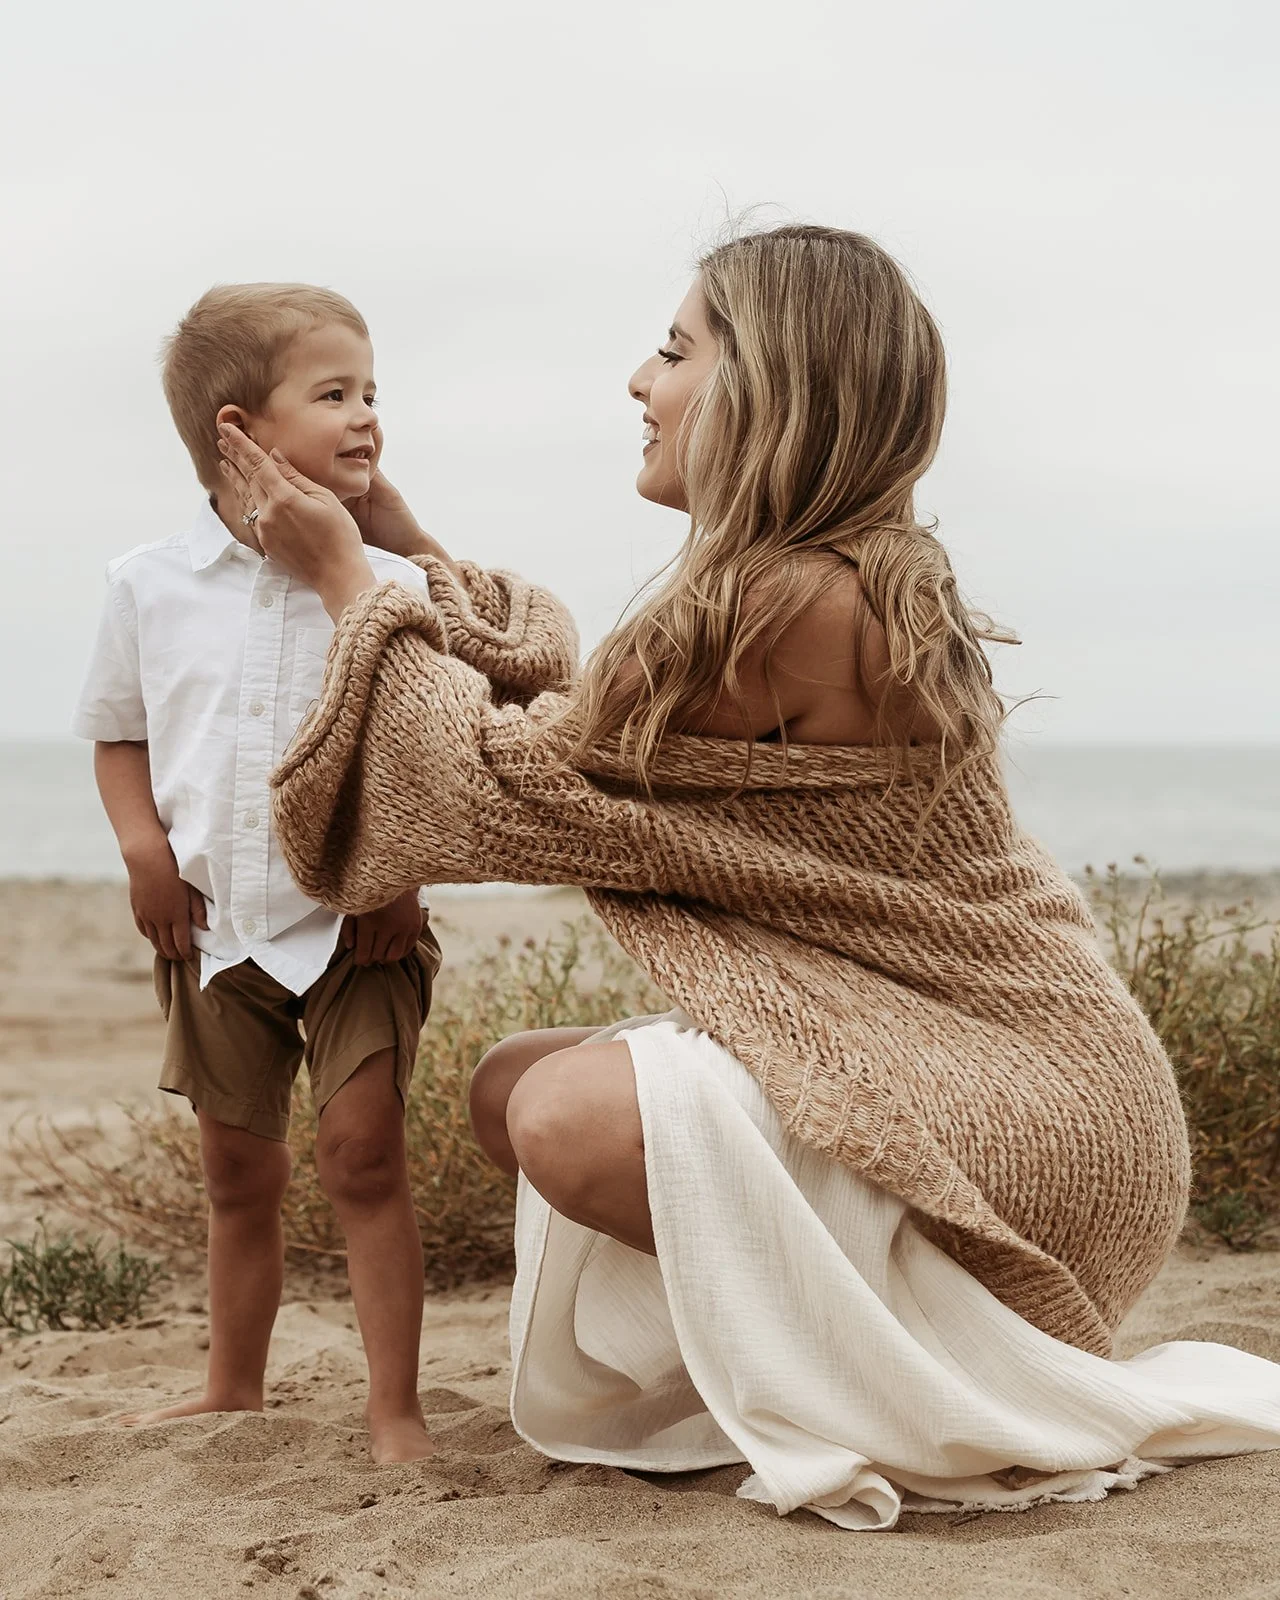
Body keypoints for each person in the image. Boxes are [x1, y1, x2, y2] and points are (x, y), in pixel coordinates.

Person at [216, 227, 1280, 1528]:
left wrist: (341, 579)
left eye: (673, 350)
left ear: (766, 388)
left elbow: (495, 785)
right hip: (1069, 1114)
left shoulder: (772, 606)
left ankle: (879, 1379)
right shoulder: (834, 579)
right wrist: (407, 544)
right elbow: (574, 734)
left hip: (1017, 1120)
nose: (637, 382)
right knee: (506, 1089)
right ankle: (825, 1362)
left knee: (562, 1115)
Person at [72, 284, 445, 1464]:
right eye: (333, 394)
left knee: (364, 1155)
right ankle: (233, 1386)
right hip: (214, 925)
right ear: (238, 431)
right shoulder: (148, 582)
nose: (367, 415)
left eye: (372, 391)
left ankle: (396, 1409)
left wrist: (401, 875)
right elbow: (121, 732)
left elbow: (430, 750)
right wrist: (144, 853)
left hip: (356, 925)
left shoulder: (391, 586)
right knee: (238, 1172)